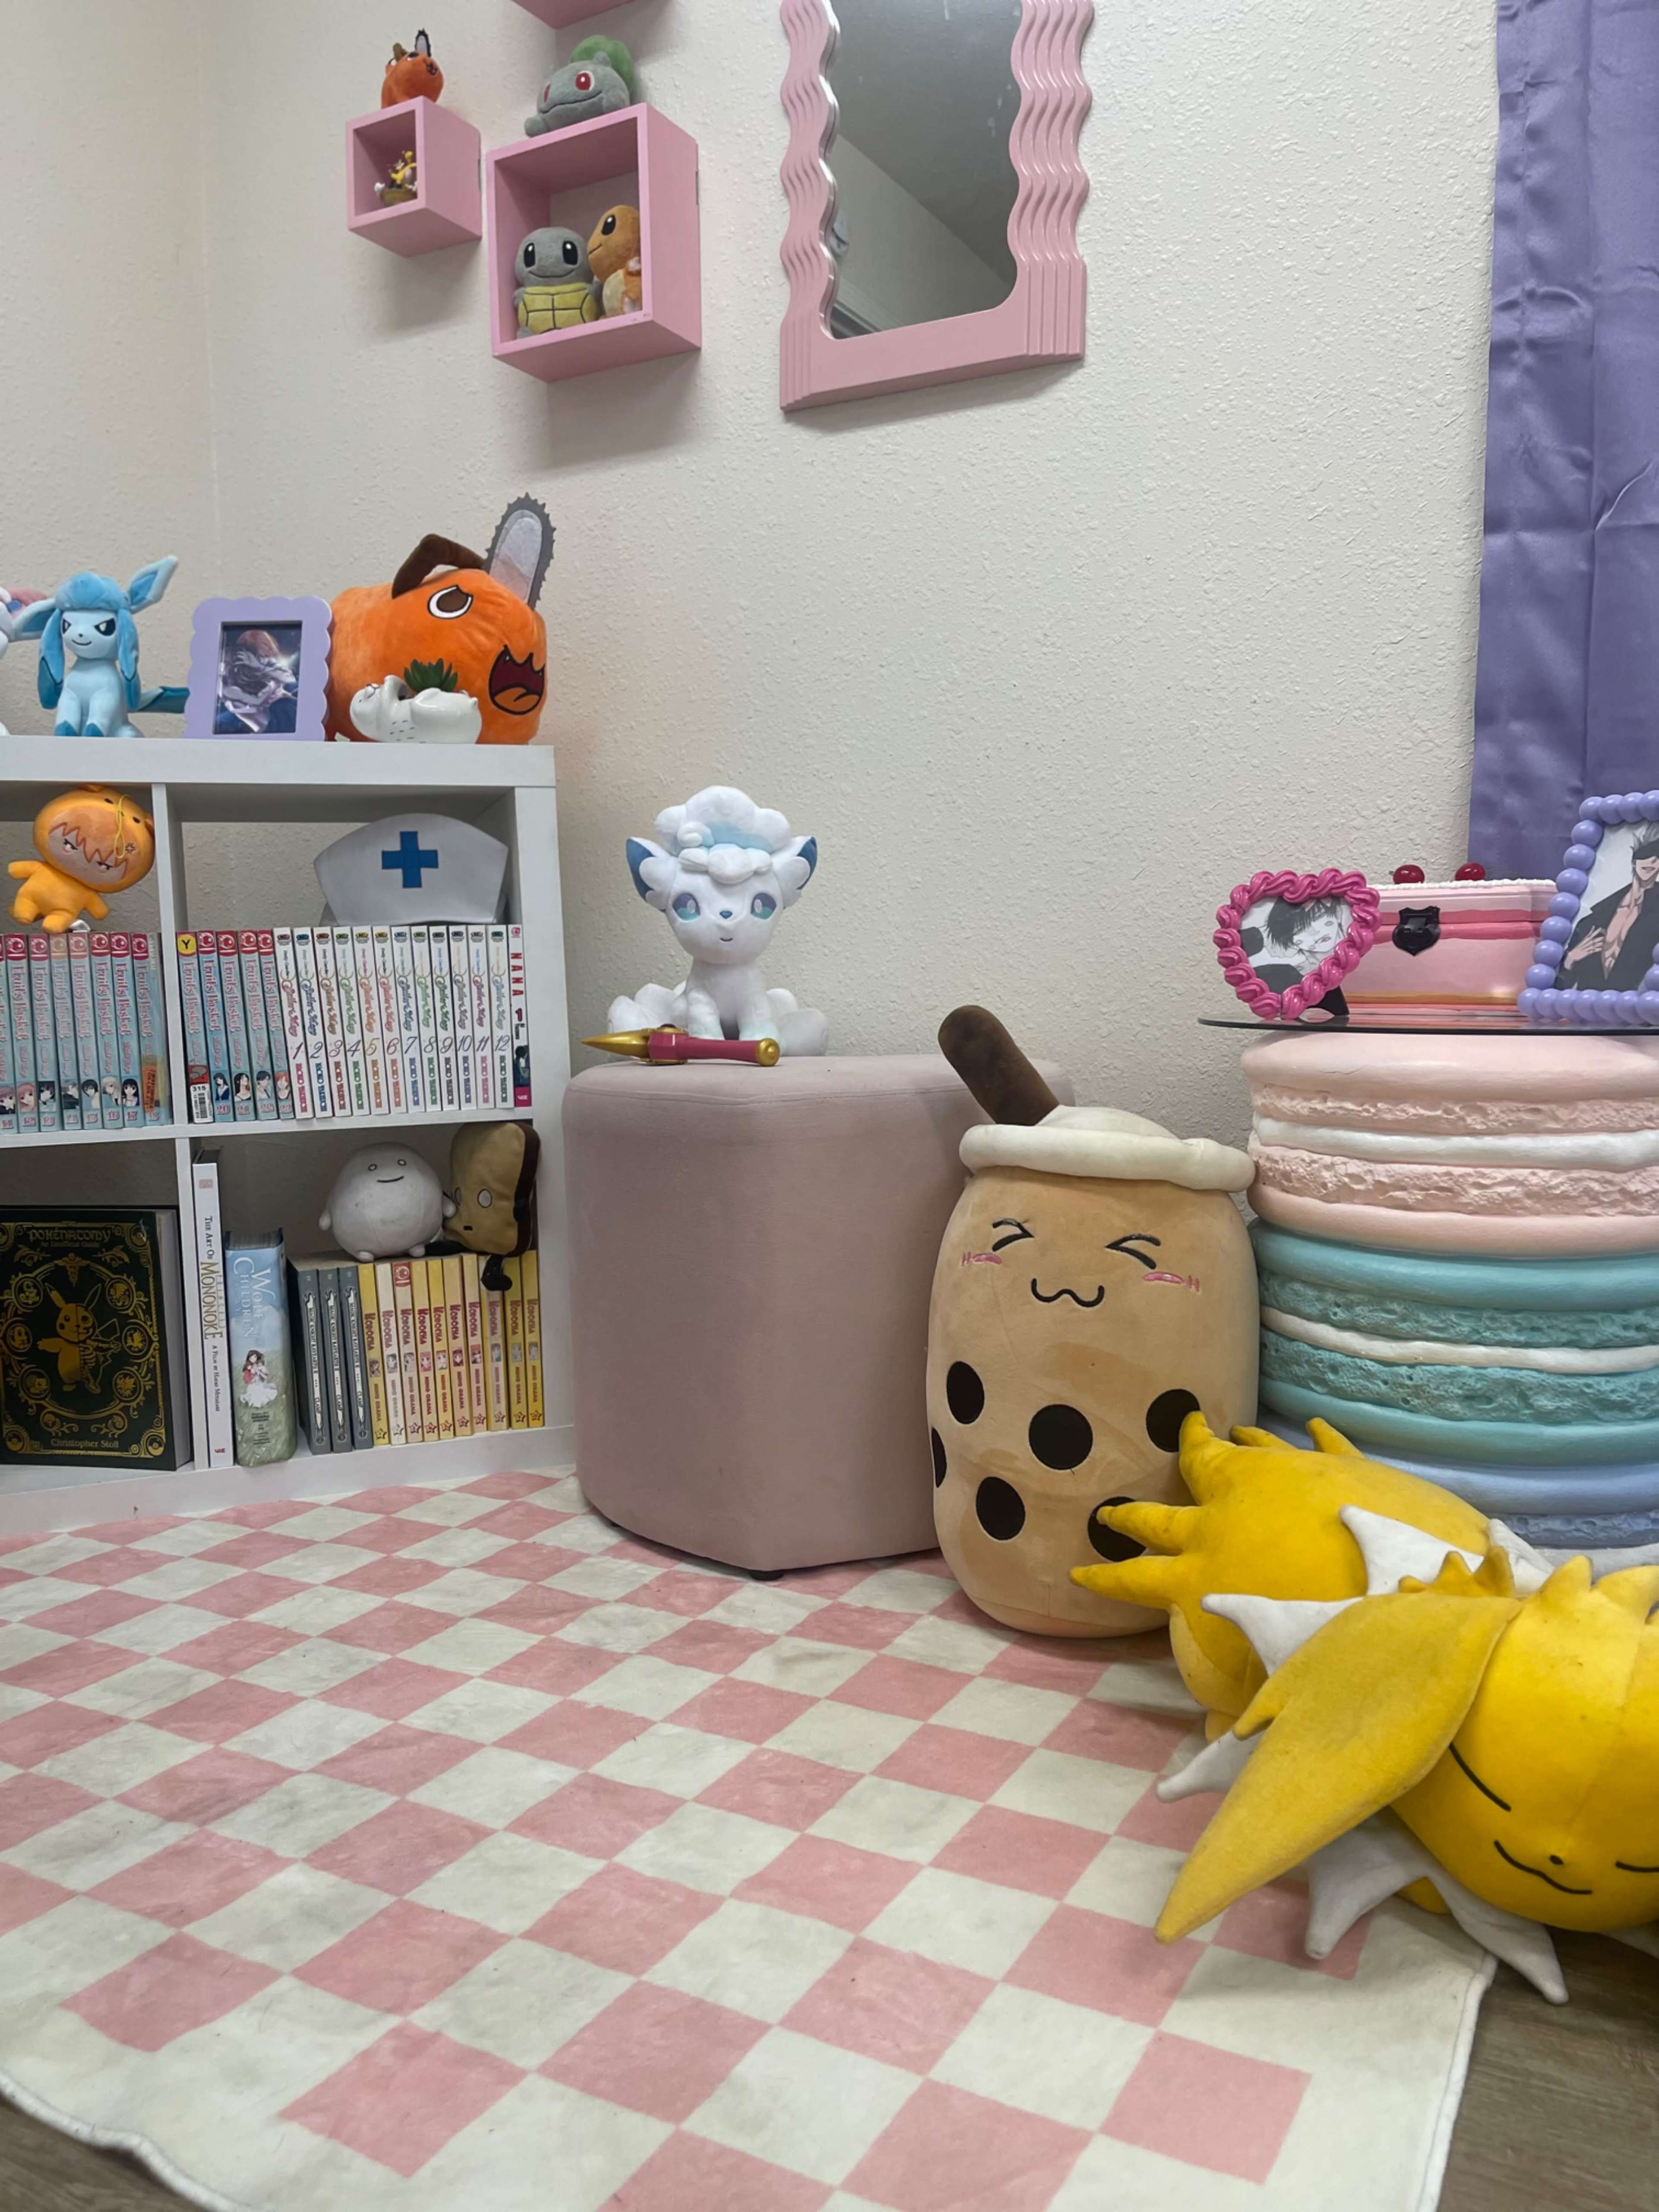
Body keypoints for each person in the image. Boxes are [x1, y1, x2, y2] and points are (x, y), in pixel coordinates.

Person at [1561, 832, 1659, 992]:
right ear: (1634, 862)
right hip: (1587, 1002)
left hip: (1635, 1003)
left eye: (1658, 856)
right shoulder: (1593, 920)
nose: (1653, 860)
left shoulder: (1654, 915)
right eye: (1646, 854)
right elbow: (1559, 987)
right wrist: (1570, 959)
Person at [1248, 896, 1348, 994]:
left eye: (1318, 917)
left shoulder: (1351, 960)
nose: (1314, 933)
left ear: (1338, 913)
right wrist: (1263, 935)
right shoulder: (1284, 976)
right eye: (1299, 930)